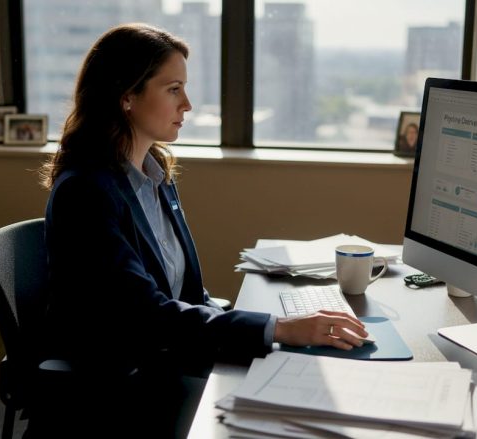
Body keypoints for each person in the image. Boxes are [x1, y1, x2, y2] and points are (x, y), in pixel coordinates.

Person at [33, 23, 369, 437]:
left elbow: (187, 294)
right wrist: (277, 328)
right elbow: (146, 316)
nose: (188, 104)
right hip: (123, 380)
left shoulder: (156, 176)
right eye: (173, 89)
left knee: (310, 386)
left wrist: (270, 325)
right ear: (127, 96)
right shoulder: (86, 192)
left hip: (170, 352)